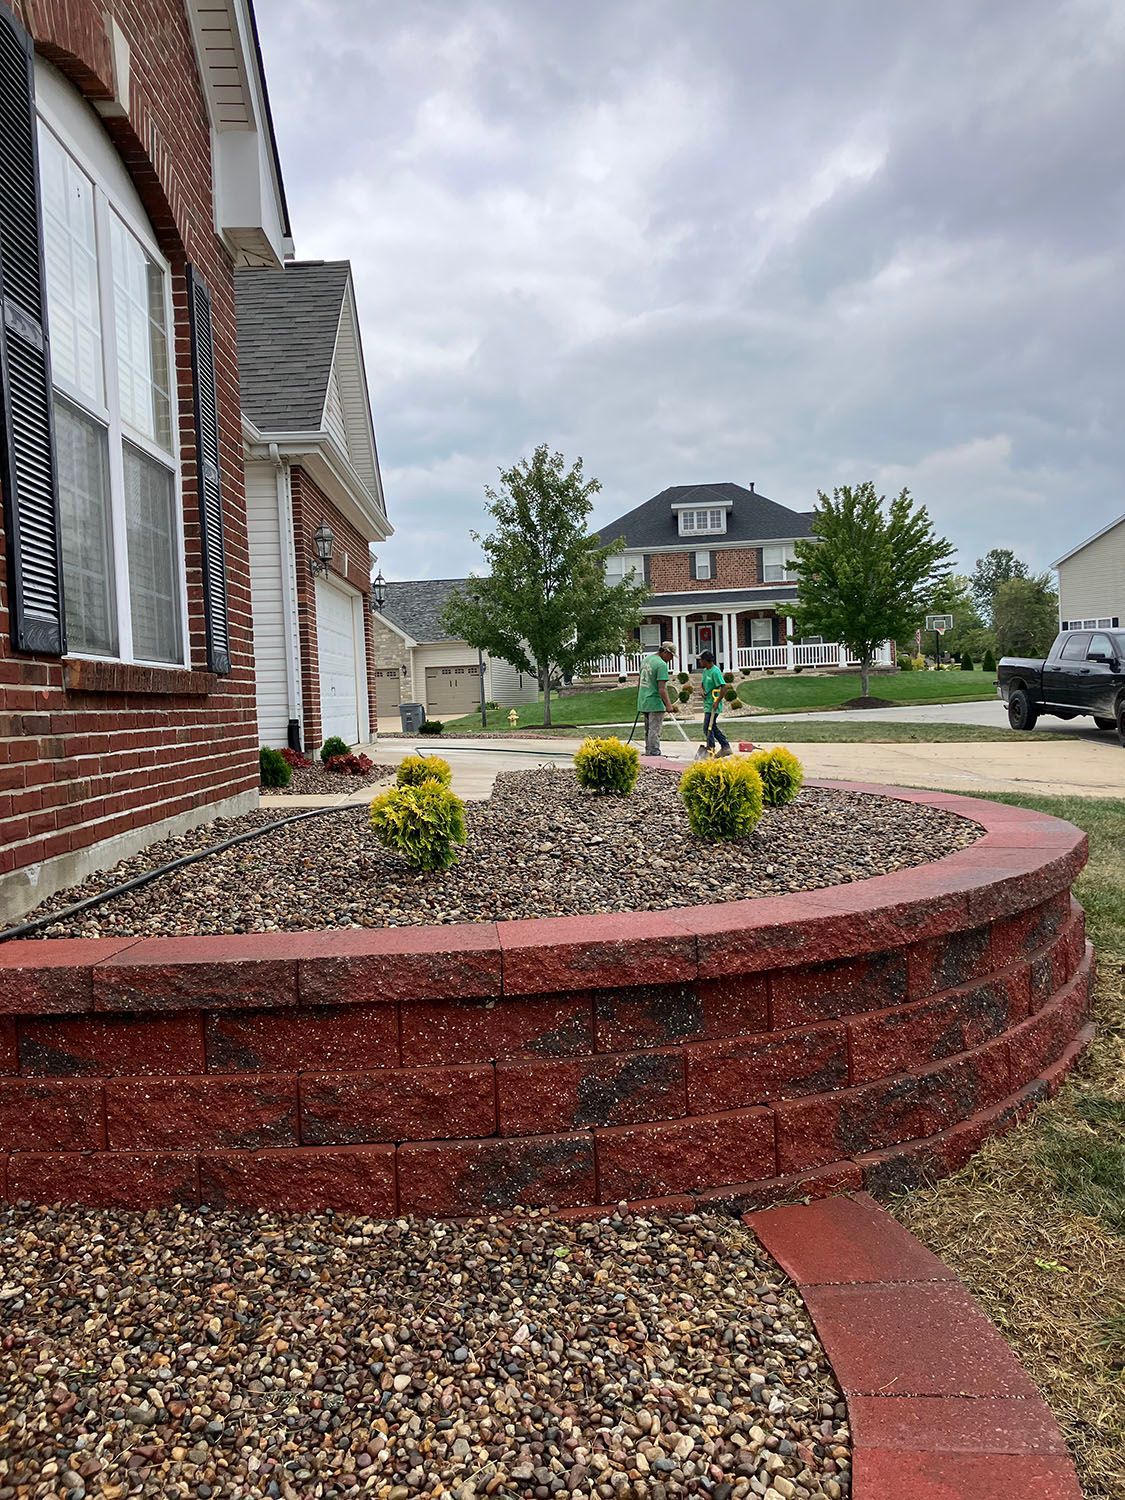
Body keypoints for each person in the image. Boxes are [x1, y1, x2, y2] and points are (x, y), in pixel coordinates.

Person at [637, 641, 676, 755]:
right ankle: (654, 754)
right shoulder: (661, 665)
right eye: (671, 655)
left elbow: (639, 683)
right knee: (654, 730)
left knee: (648, 730)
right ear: (665, 652)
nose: (671, 659)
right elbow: (662, 689)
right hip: (655, 702)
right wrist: (668, 705)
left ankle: (649, 752)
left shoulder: (646, 660)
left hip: (644, 701)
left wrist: (641, 697)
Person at [697, 650, 732, 757]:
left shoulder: (715, 671)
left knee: (708, 727)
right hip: (707, 703)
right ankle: (725, 747)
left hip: (714, 704)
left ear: (705, 661)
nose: (699, 662)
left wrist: (717, 701)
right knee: (711, 727)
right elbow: (702, 684)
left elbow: (724, 687)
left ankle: (711, 749)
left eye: (701, 660)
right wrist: (702, 690)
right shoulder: (705, 671)